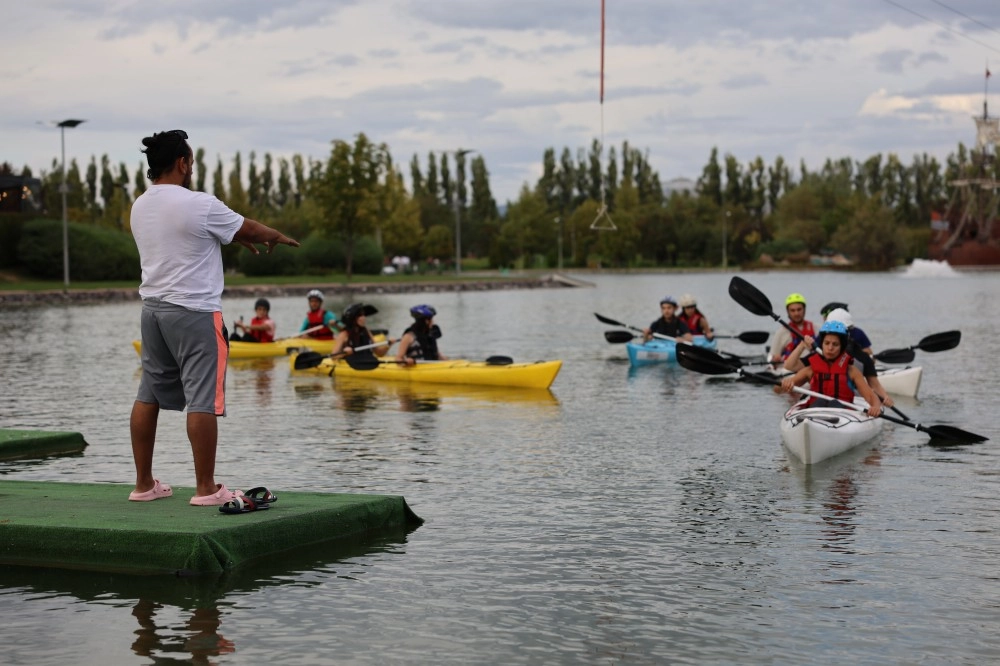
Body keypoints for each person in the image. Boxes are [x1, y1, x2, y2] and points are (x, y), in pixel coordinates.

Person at [129, 129, 299, 506]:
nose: (192, 168)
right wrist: (275, 235)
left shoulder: (140, 205)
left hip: (153, 311)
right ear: (181, 163)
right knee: (202, 398)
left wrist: (236, 236)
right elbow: (247, 227)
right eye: (191, 161)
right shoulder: (199, 203)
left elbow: (195, 235)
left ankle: (143, 485)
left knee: (148, 395)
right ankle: (205, 488)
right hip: (194, 312)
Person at [784, 308, 894, 408]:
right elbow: (790, 369)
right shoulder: (817, 359)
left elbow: (874, 386)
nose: (830, 348)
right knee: (819, 402)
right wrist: (802, 345)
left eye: (835, 344)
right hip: (818, 403)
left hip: (849, 402)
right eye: (827, 343)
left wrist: (884, 399)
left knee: (834, 404)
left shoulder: (860, 360)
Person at [768, 292, 816, 364]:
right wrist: (775, 360)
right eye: (792, 310)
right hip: (789, 370)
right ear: (788, 312)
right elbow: (773, 358)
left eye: (799, 309)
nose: (796, 313)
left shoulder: (817, 329)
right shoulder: (780, 333)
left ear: (804, 309)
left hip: (811, 368)